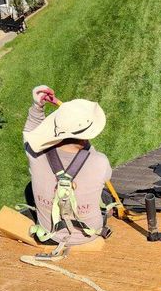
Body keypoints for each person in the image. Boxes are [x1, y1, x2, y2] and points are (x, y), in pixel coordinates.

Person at [23, 85, 112, 250]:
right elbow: (106, 177)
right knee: (105, 196)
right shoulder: (100, 162)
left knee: (30, 189)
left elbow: (30, 134)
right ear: (86, 136)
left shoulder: (35, 154)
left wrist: (38, 107)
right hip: (88, 235)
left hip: (49, 236)